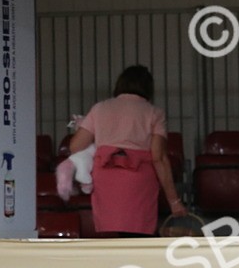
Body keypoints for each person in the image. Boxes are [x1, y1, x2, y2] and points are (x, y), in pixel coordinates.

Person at [67, 65, 186, 236]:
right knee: (139, 233)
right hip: (139, 179)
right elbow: (158, 157)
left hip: (106, 177)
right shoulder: (154, 113)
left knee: (111, 233)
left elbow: (75, 146)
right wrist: (174, 201)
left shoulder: (99, 108)